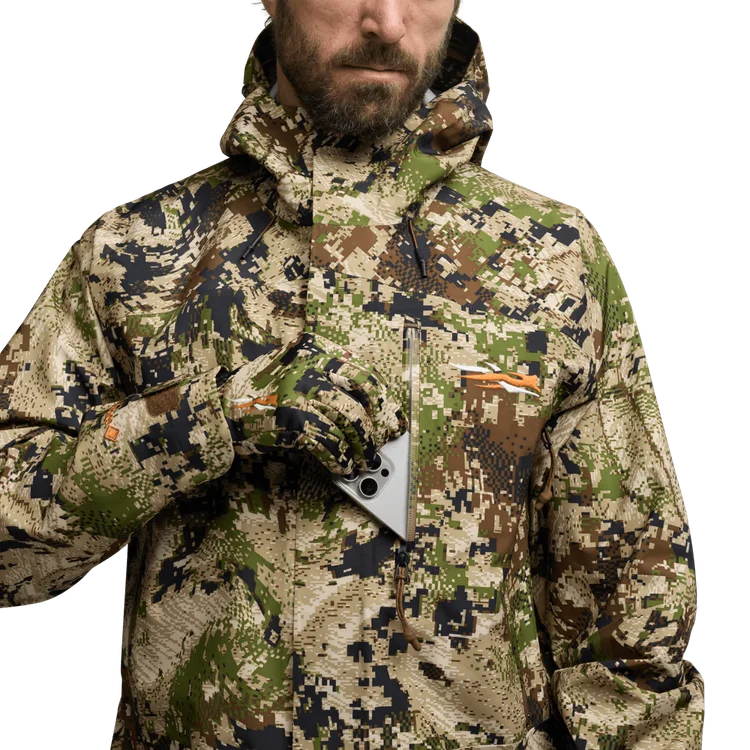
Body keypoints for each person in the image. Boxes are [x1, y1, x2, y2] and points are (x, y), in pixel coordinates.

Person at [0, 1, 705, 748]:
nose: (387, 22)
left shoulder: (553, 257)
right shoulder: (138, 251)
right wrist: (207, 420)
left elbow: (634, 605)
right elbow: (10, 553)